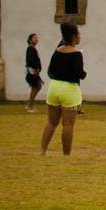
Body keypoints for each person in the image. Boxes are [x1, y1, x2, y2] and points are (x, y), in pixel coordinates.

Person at [41, 22, 86, 155]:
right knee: (68, 124)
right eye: (78, 34)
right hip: (69, 89)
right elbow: (79, 73)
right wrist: (84, 73)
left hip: (54, 87)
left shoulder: (57, 51)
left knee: (51, 122)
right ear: (73, 36)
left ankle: (43, 150)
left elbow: (51, 70)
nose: (80, 36)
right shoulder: (77, 53)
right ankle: (66, 154)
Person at [24, 33, 44, 112]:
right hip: (32, 71)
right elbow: (31, 60)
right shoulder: (30, 48)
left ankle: (29, 105)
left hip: (34, 71)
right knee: (36, 87)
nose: (36, 39)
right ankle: (30, 106)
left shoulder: (33, 48)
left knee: (36, 87)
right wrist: (36, 69)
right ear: (30, 40)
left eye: (37, 38)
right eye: (34, 38)